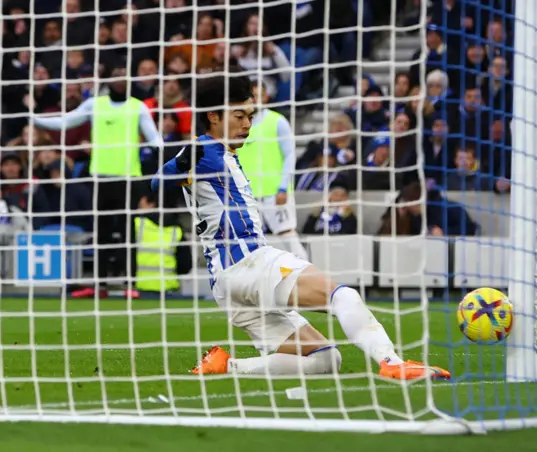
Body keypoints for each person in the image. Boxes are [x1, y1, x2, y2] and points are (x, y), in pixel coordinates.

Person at [151, 71, 450, 380]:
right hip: (249, 263)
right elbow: (167, 175)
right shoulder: (204, 151)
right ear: (213, 117)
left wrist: (179, 168)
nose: (247, 124)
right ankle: (391, 361)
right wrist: (185, 162)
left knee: (325, 359)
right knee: (343, 296)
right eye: (239, 116)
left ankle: (226, 366)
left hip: (227, 286)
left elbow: (157, 181)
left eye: (249, 116)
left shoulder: (212, 154)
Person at [32, 61, 164, 299]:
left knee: (126, 232)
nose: (120, 79)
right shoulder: (95, 105)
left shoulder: (138, 107)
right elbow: (65, 121)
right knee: (101, 232)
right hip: (100, 178)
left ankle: (129, 284)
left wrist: (163, 159)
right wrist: (33, 118)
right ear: (109, 80)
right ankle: (101, 285)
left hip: (127, 178)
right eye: (116, 74)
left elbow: (155, 138)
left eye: (124, 75)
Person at [237, 81, 308, 260]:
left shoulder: (277, 121)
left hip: (274, 193)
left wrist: (283, 187)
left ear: (266, 97)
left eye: (259, 95)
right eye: (252, 96)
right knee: (249, 243)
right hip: (247, 195)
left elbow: (290, 155)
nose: (255, 99)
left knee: (288, 236)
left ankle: (307, 274)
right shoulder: (238, 125)